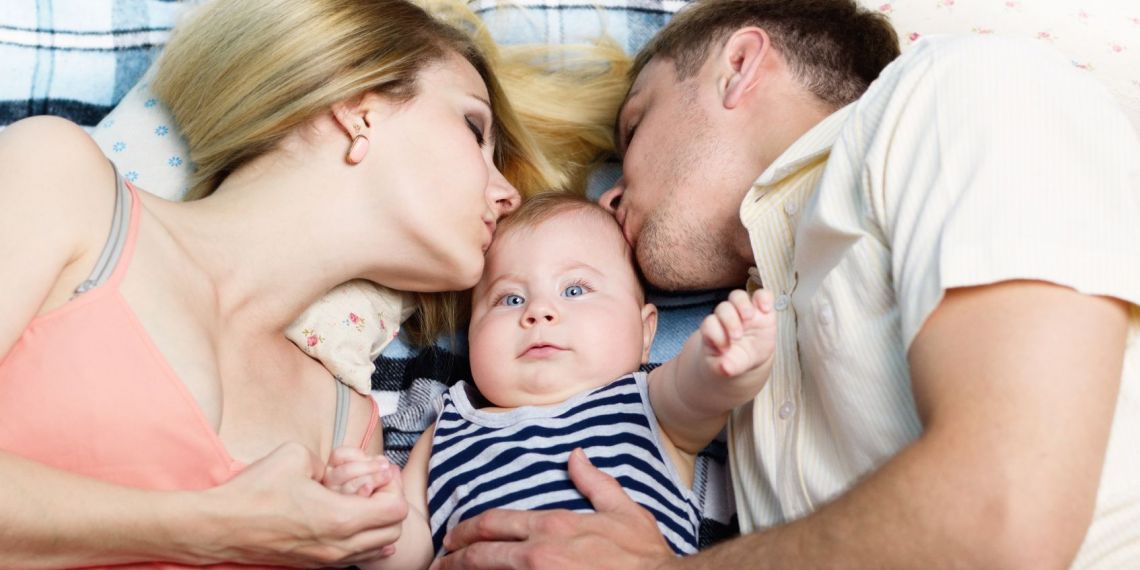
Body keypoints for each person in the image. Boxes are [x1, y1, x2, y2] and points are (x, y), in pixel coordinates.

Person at [434, 0, 1140, 568]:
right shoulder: (752, 330)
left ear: (738, 66)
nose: (611, 199)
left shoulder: (965, 89)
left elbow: (1008, 510)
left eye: (635, 126)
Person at [0, 0, 627, 566]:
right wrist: (209, 526)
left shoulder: (348, 432)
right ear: (360, 108)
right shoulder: (61, 181)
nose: (508, 193)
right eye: (472, 128)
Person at [322, 192, 777, 568]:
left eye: (575, 290)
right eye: (509, 297)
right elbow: (410, 551)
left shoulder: (647, 403)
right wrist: (375, 514)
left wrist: (725, 354)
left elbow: (700, 391)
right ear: (470, 333)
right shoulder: (447, 427)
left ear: (646, 333)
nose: (539, 312)